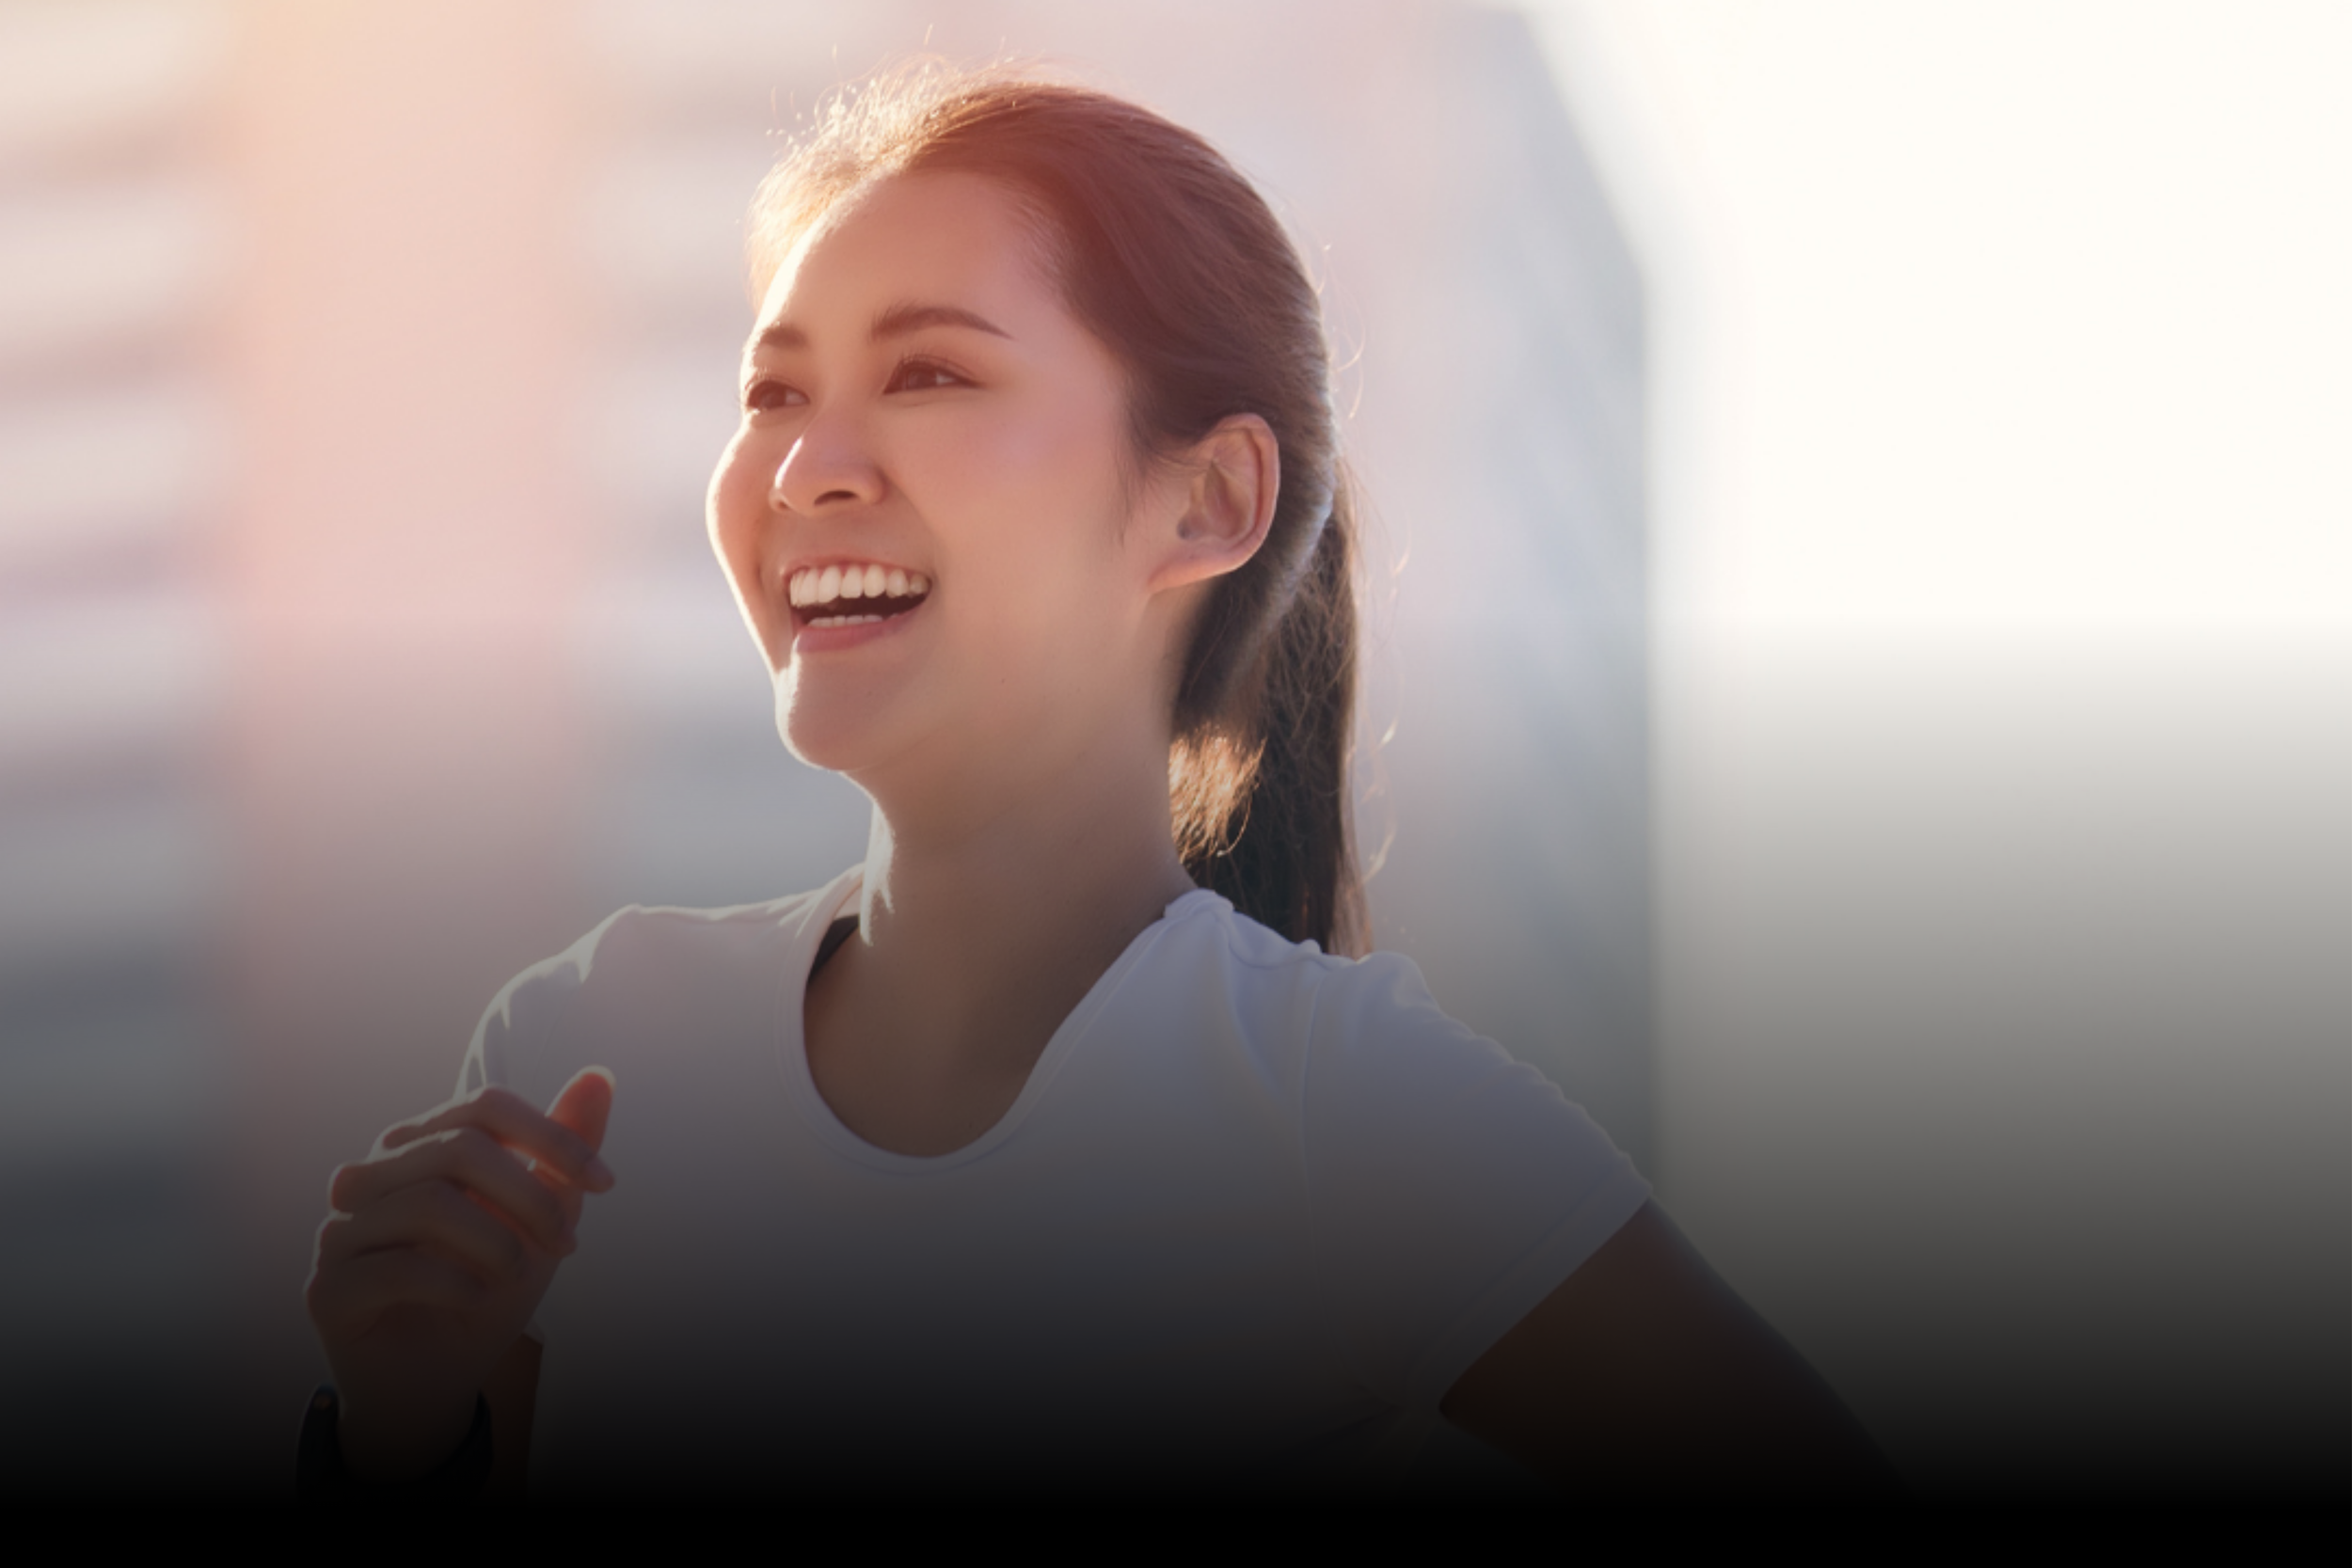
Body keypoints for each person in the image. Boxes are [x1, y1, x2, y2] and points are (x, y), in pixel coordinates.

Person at [303, 63, 1896, 1499]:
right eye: (773, 392)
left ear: (1205, 499)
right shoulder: (587, 1048)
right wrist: (394, 1425)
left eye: (929, 374)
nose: (806, 467)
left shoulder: (1345, 1114)